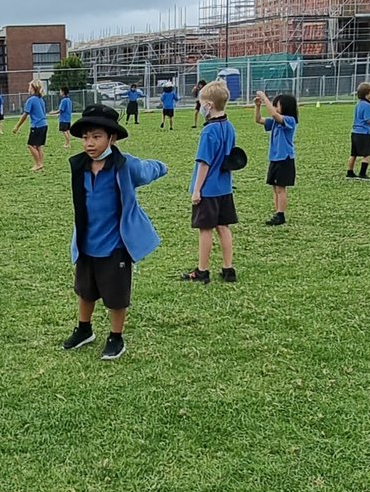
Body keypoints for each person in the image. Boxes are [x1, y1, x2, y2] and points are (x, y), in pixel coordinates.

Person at [62, 104, 168, 361]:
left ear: (112, 138)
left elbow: (148, 170)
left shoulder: (125, 165)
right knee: (85, 290)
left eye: (96, 137)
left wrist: (162, 166)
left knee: (116, 296)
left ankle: (116, 336)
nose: (89, 143)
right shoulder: (80, 165)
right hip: (86, 241)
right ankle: (84, 329)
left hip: (115, 245)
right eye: (85, 137)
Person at [180, 81, 238, 283]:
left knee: (205, 229)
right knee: (224, 227)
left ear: (209, 105)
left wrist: (197, 190)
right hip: (224, 188)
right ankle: (228, 269)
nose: (200, 106)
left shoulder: (208, 131)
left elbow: (204, 163)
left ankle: (202, 270)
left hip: (208, 190)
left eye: (202, 102)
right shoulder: (229, 127)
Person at [254, 90, 297, 226]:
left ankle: (281, 214)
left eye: (277, 105)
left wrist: (264, 97)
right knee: (275, 188)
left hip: (284, 159)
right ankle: (277, 212)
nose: (274, 107)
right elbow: (258, 120)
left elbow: (274, 114)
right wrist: (257, 107)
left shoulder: (290, 120)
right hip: (275, 158)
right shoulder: (274, 122)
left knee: (280, 188)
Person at [12, 79, 49, 171]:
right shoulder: (41, 100)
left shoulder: (31, 100)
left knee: (30, 145)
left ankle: (38, 164)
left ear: (33, 88)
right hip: (44, 125)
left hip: (37, 126)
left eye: (29, 87)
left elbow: (25, 115)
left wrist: (17, 126)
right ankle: (40, 164)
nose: (28, 88)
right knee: (38, 146)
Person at [346, 82, 370, 180]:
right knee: (367, 154)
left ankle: (349, 173)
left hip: (355, 132)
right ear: (366, 93)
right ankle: (362, 174)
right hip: (364, 133)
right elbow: (367, 120)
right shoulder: (367, 105)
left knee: (353, 154)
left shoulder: (358, 104)